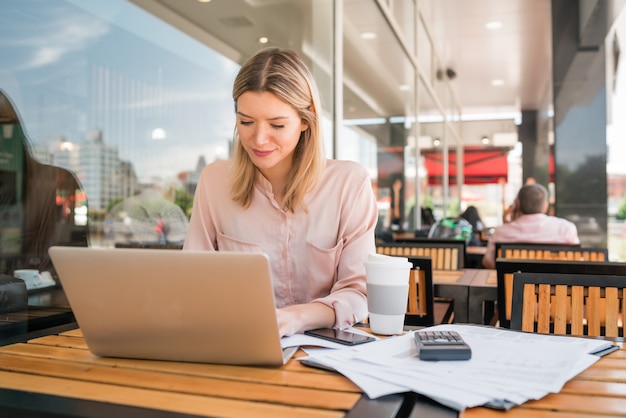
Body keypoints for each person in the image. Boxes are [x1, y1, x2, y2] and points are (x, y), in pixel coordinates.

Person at [183, 47, 378, 337]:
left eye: (277, 124)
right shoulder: (214, 182)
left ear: (305, 120)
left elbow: (359, 292)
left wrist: (296, 318)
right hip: (235, 344)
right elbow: (191, 281)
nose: (259, 139)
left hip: (325, 351)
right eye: (246, 122)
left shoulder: (349, 184)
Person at [481, 183, 579, 269]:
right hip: (557, 288)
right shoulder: (566, 228)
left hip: (512, 288)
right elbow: (576, 261)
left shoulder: (501, 232)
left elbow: (488, 262)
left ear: (518, 204)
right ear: (546, 206)